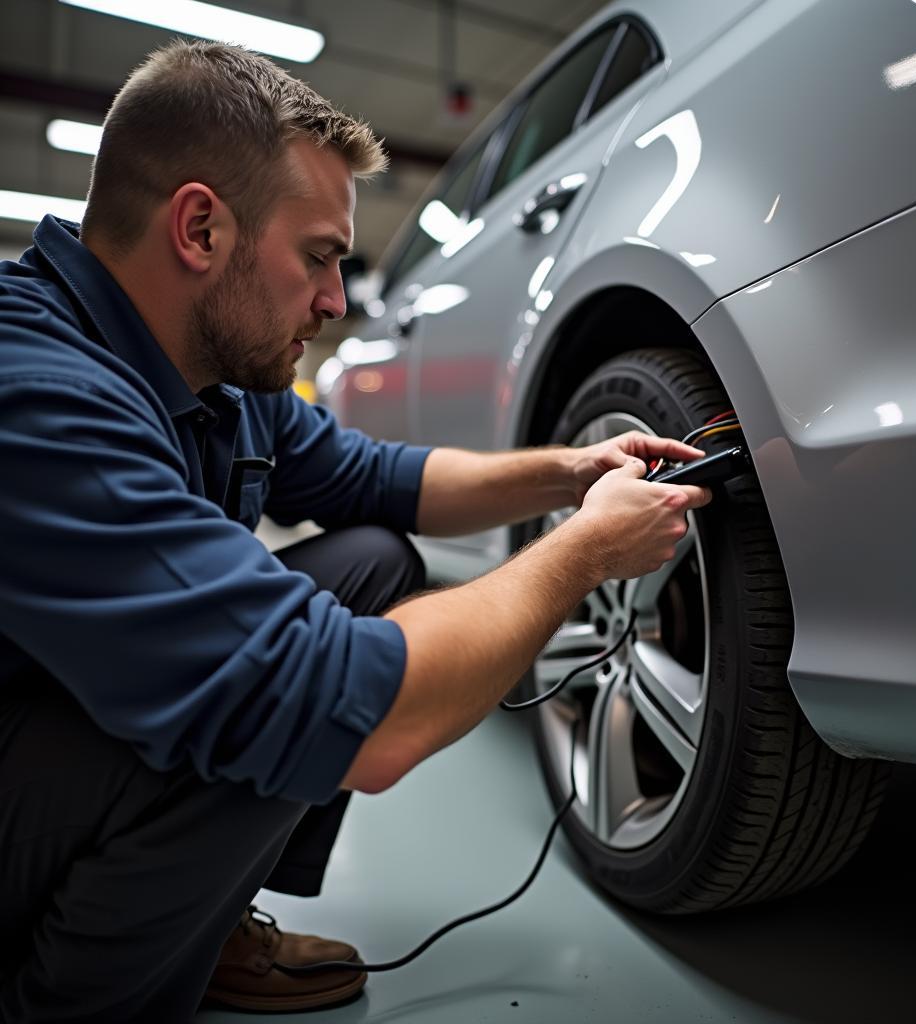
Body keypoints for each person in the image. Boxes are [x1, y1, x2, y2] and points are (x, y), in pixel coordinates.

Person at [0, 41, 710, 1022]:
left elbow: (384, 481)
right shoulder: (36, 391)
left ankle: (193, 922)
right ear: (200, 228)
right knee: (280, 709)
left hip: (51, 722)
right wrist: (582, 548)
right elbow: (345, 713)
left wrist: (569, 470)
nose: (337, 302)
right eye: (319, 257)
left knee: (370, 559)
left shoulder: (212, 366)